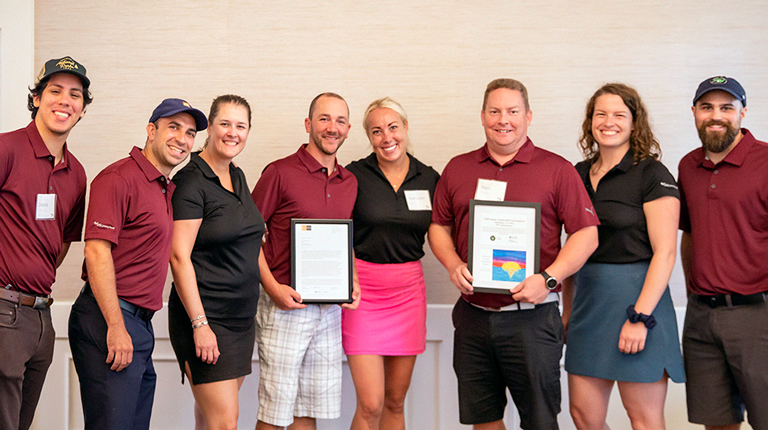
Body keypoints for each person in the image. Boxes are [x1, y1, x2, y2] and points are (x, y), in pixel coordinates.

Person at [429, 78, 599, 430]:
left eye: (512, 111)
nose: (503, 119)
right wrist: (453, 263)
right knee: (483, 420)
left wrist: (549, 279)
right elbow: (438, 227)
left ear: (528, 116)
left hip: (532, 320)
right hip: (473, 317)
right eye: (495, 111)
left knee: (539, 422)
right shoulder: (458, 168)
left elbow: (586, 235)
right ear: (482, 116)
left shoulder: (557, 169)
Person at [68, 98, 207, 430]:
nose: (182, 139)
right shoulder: (118, 178)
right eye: (173, 127)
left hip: (140, 323)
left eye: (190, 133)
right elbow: (97, 252)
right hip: (110, 319)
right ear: (151, 130)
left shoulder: (164, 188)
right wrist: (115, 326)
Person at [562, 83, 685, 430]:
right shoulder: (578, 173)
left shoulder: (652, 174)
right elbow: (574, 245)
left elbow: (666, 252)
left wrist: (640, 317)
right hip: (588, 306)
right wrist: (567, 312)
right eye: (601, 114)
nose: (609, 121)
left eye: (619, 114)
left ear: (634, 122)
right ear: (590, 122)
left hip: (639, 303)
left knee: (644, 421)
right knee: (584, 417)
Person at [251, 92, 361, 430]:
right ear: (308, 124)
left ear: (348, 128)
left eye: (340, 121)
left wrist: (352, 281)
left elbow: (345, 240)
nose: (332, 127)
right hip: (284, 308)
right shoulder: (280, 172)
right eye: (324, 119)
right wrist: (272, 288)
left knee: (307, 412)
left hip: (328, 312)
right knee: (275, 414)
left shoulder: (350, 182)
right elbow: (248, 236)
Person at [0, 56, 91, 430]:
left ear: (83, 109)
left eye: (75, 95)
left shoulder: (77, 173)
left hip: (42, 317)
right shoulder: (6, 149)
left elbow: (63, 241)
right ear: (36, 98)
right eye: (54, 91)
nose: (64, 101)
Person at [341, 97, 440, 430]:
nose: (387, 137)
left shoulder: (429, 178)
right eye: (376, 131)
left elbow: (445, 231)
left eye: (393, 127)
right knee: (371, 403)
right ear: (369, 137)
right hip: (362, 294)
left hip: (408, 294)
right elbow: (337, 230)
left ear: (406, 128)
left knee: (395, 402)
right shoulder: (353, 175)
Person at [168, 94, 263, 430]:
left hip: (240, 321)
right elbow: (178, 257)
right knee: (225, 422)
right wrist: (199, 324)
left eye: (241, 126)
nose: (232, 132)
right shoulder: (191, 182)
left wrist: (275, 286)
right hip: (207, 319)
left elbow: (250, 241)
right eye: (225, 124)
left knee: (210, 420)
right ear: (210, 127)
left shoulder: (236, 175)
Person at [678, 76, 768, 430]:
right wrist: (692, 291)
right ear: (695, 113)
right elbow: (689, 234)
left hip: (756, 315)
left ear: (743, 113)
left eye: (726, 108)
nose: (716, 116)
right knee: (716, 423)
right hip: (701, 317)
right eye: (707, 107)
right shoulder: (687, 166)